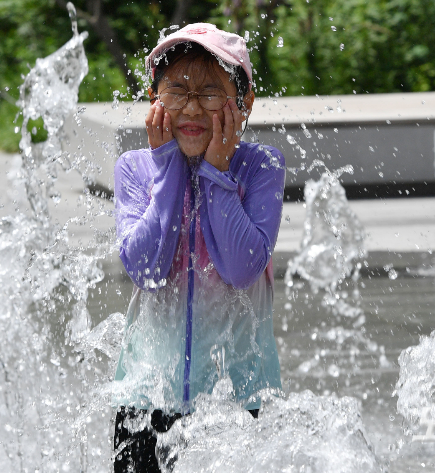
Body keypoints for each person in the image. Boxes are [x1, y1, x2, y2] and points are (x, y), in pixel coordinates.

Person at [112, 23, 285, 472]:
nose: (191, 107)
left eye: (210, 93)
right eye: (177, 90)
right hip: (145, 394)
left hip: (237, 397)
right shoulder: (135, 168)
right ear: (154, 98)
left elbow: (240, 269)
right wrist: (168, 167)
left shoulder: (261, 167)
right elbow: (146, 270)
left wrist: (218, 172)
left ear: (243, 102)